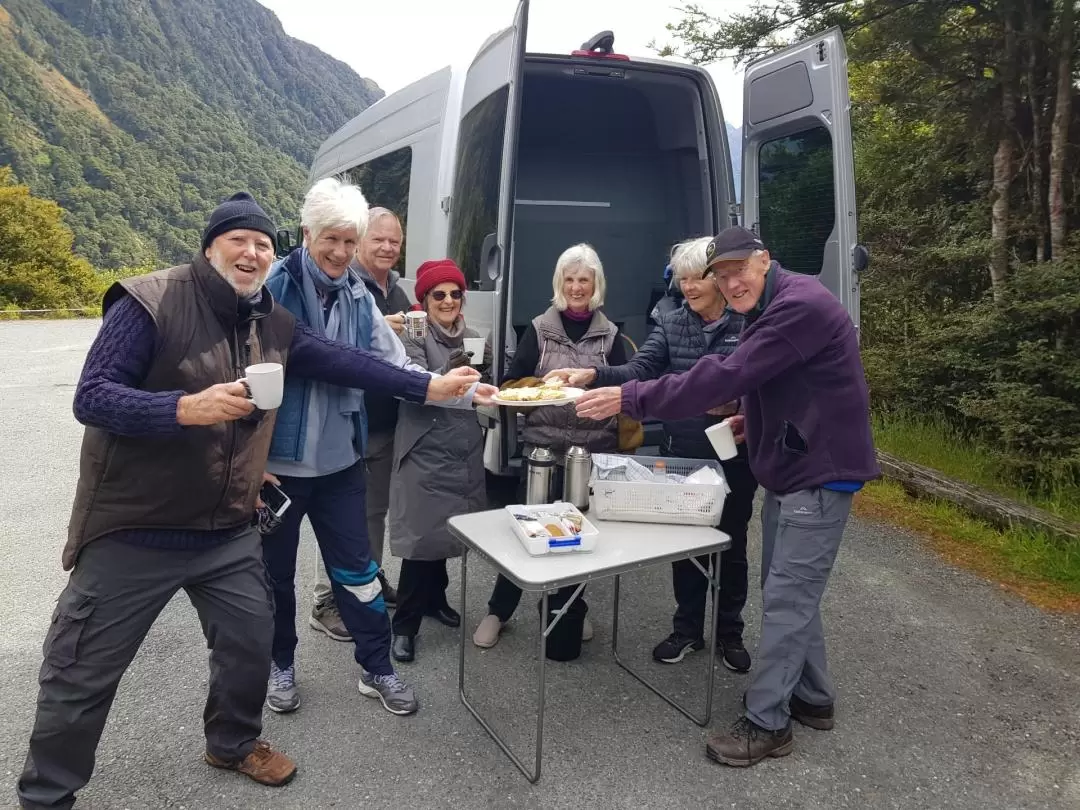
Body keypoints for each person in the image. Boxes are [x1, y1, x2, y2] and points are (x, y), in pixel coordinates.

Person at [15, 192, 481, 810]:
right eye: (239, 239)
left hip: (225, 525)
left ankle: (232, 743)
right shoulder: (150, 301)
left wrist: (432, 384)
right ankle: (47, 795)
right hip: (137, 525)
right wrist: (184, 408)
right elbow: (92, 396)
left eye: (261, 243)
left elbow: (349, 362)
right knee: (81, 672)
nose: (252, 251)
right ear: (211, 247)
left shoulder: (272, 320)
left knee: (248, 641)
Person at [573, 226, 880, 767]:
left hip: (819, 472)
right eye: (721, 274)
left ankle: (767, 725)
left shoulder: (799, 304)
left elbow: (727, 372)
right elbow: (774, 381)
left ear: (765, 260)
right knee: (786, 588)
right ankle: (813, 698)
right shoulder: (771, 302)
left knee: (786, 596)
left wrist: (627, 398)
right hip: (795, 466)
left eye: (739, 269)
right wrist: (750, 417)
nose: (730, 282)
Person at [260, 180, 495, 716]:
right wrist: (249, 464)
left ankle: (377, 666)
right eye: (332, 240)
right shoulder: (275, 290)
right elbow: (327, 361)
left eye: (350, 240)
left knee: (361, 574)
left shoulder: (356, 294)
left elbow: (392, 363)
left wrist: (460, 392)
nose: (342, 252)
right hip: (279, 466)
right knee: (273, 577)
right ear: (306, 234)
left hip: (342, 458)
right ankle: (281, 664)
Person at [545, 236, 757, 673]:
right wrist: (595, 373)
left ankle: (729, 633)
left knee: (731, 545)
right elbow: (642, 369)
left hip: (735, 454)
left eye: (697, 277)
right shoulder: (673, 321)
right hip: (686, 452)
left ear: (718, 279)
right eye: (682, 280)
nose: (689, 287)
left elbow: (762, 382)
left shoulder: (748, 323)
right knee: (686, 546)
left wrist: (741, 406)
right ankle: (687, 630)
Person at [471, 243, 628, 650]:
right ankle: (498, 611)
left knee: (577, 537)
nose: (577, 287)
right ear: (561, 283)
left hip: (589, 452)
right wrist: (542, 389)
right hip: (542, 450)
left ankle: (568, 607)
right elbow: (511, 383)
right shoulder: (540, 330)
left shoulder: (611, 335)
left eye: (584, 280)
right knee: (525, 532)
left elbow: (622, 388)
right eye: (570, 279)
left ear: (596, 284)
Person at [308, 206, 409, 641]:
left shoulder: (399, 291)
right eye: (378, 239)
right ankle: (325, 599)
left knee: (373, 512)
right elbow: (321, 348)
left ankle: (368, 578)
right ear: (360, 241)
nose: (387, 247)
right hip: (347, 422)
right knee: (336, 514)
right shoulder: (345, 286)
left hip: (386, 421)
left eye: (395, 241)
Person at [387, 259, 488, 662]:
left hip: (461, 445)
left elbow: (483, 384)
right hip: (423, 446)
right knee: (420, 539)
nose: (447, 301)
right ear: (424, 300)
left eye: (454, 293)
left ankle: (435, 601)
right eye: (438, 294)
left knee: (447, 532)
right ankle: (405, 625)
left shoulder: (477, 336)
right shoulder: (411, 336)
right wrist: (450, 369)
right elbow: (409, 381)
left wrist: (490, 370)